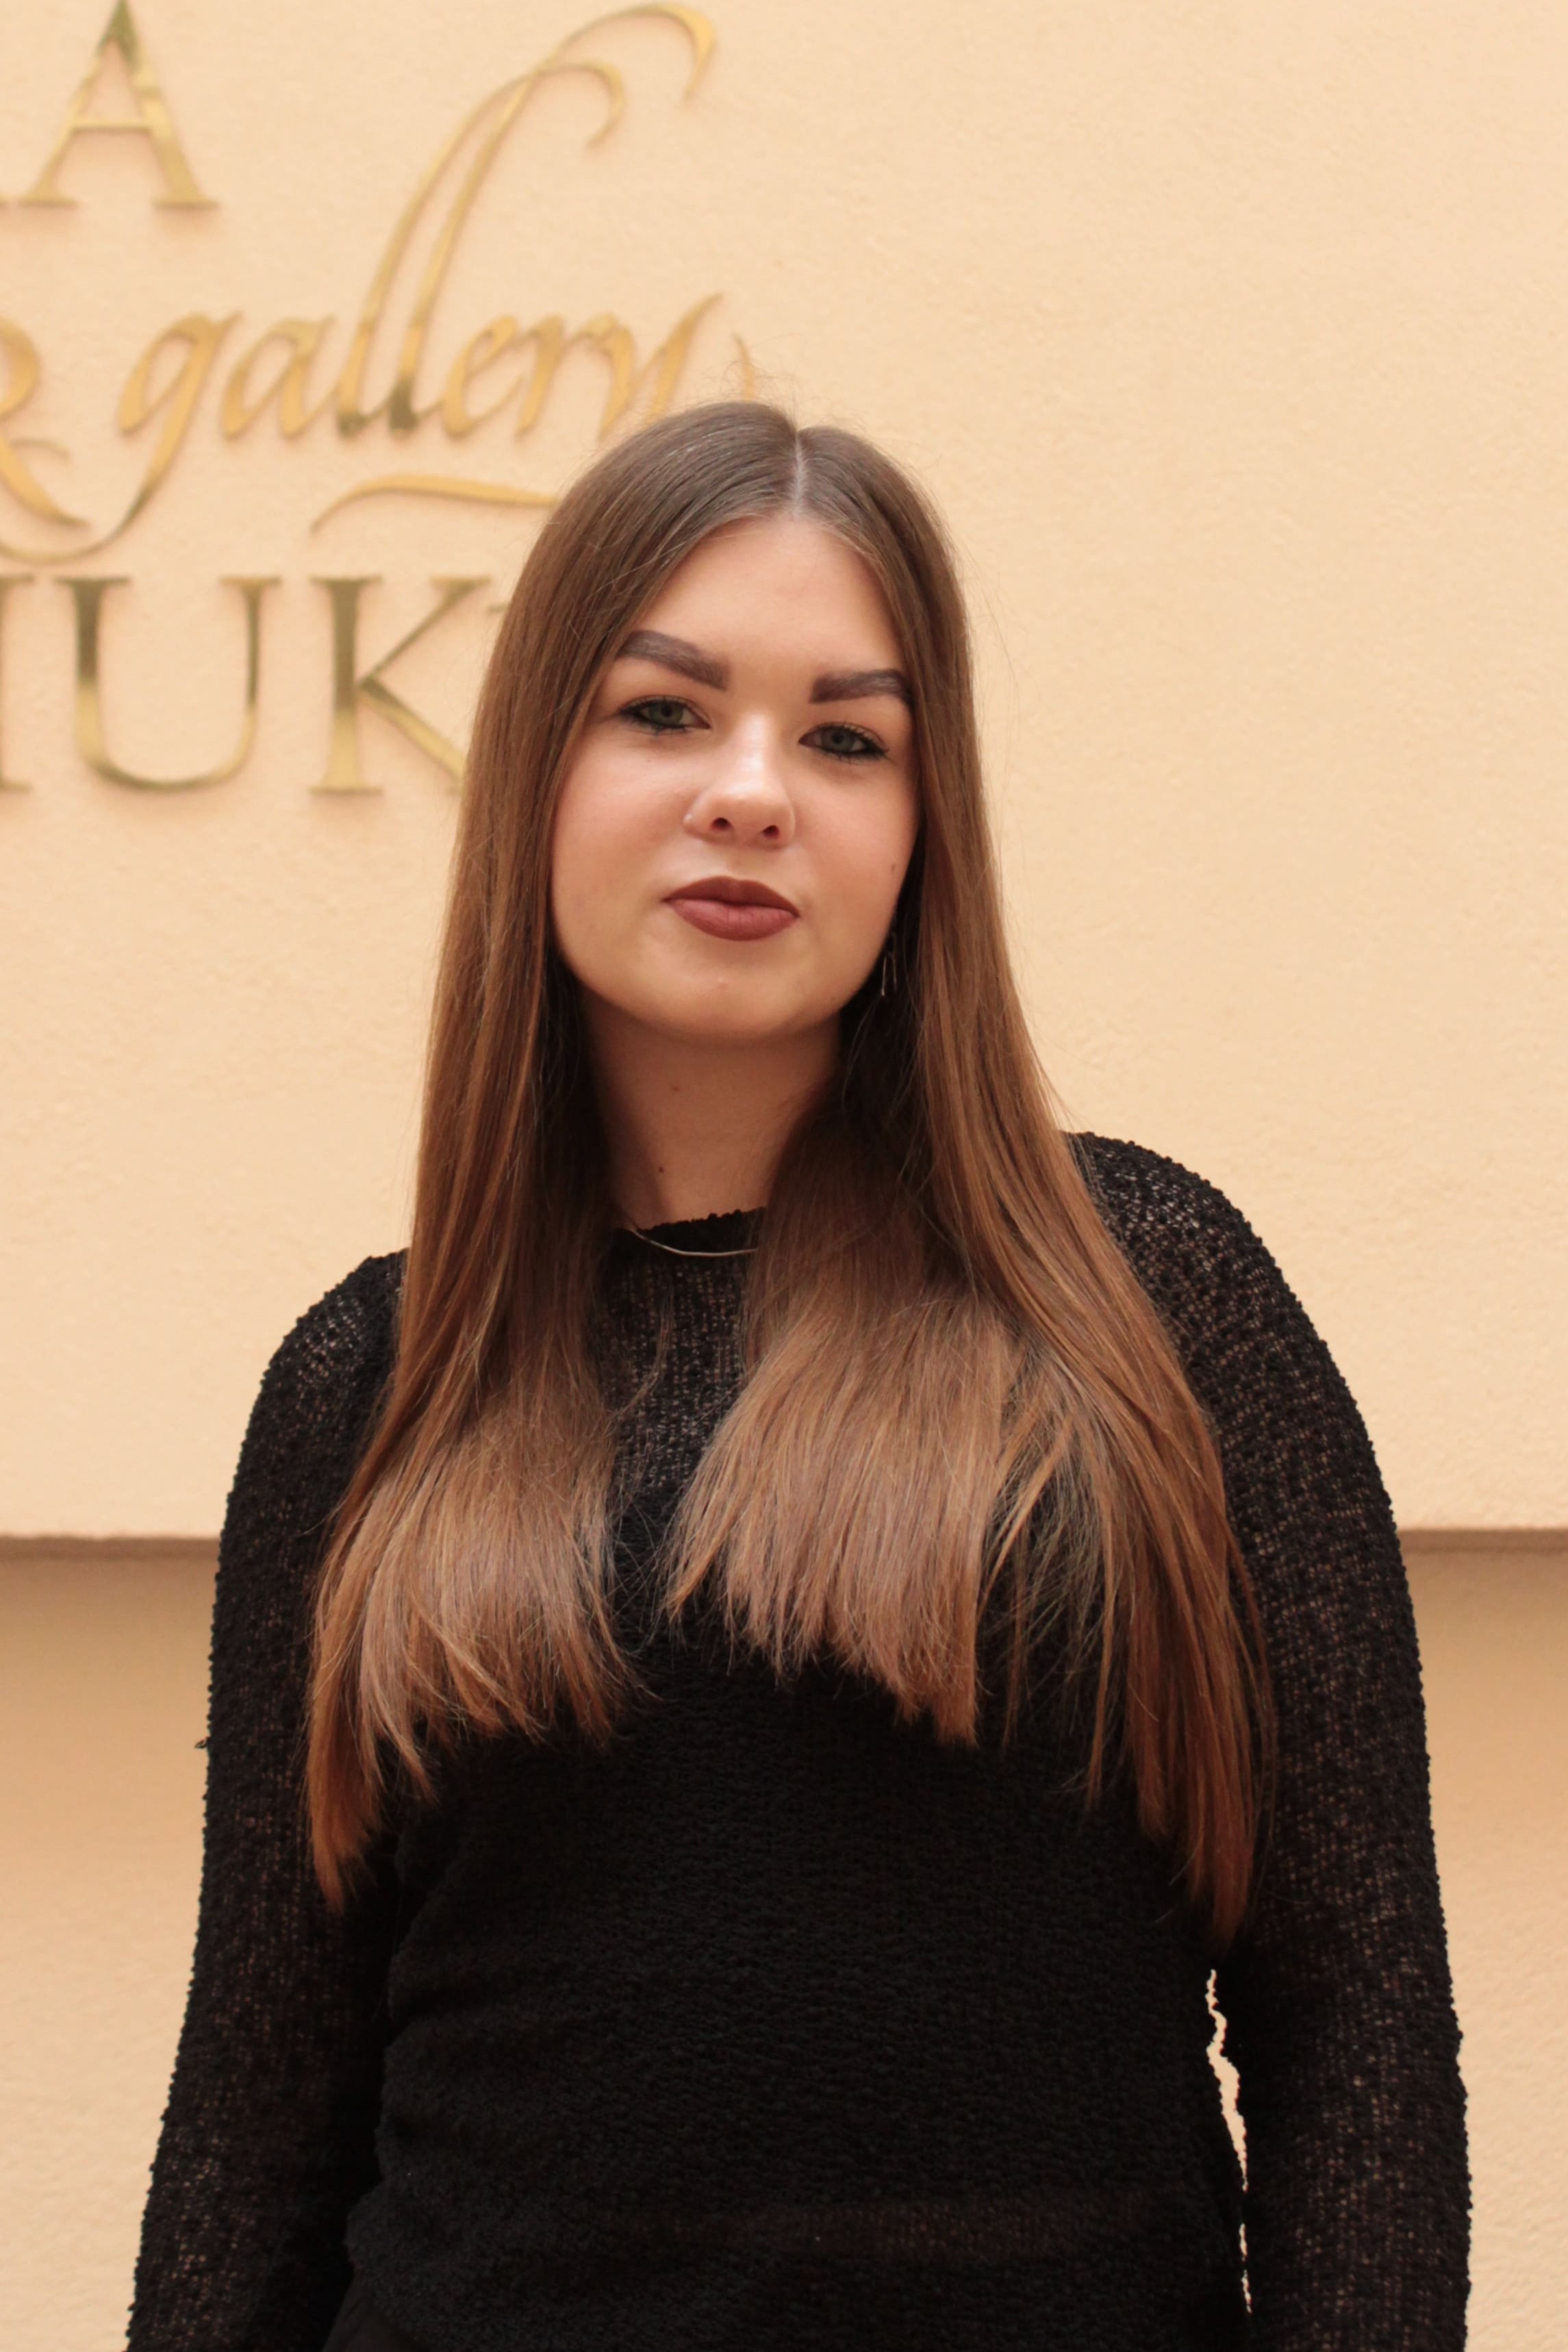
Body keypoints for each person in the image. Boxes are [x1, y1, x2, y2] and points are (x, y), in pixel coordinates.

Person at [127, 402, 1468, 2352]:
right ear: (536, 771)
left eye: (847, 739)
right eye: (663, 712)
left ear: (926, 830)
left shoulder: (1151, 1300)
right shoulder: (365, 1387)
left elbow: (1355, 2023)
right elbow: (256, 2127)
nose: (751, 793)